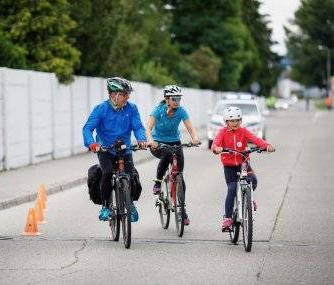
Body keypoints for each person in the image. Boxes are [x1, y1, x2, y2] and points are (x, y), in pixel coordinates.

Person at [83, 77, 147, 222]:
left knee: (130, 176)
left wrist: (141, 139)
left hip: (125, 148)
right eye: (124, 94)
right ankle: (105, 206)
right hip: (105, 149)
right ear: (113, 94)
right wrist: (91, 143)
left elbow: (137, 126)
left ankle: (130, 204)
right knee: (106, 173)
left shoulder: (131, 108)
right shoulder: (101, 109)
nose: (128, 97)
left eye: (128, 94)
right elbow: (87, 128)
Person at [211, 106, 275, 232]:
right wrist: (216, 148)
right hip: (229, 166)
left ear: (241, 120)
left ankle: (248, 198)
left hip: (243, 163)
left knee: (253, 181)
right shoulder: (222, 132)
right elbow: (216, 143)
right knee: (232, 188)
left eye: (238, 120)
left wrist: (266, 146)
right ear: (226, 122)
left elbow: (256, 140)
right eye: (232, 120)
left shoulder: (244, 131)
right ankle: (228, 219)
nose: (235, 123)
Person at [146, 85, 200, 225]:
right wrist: (151, 141)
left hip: (175, 142)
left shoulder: (181, 111)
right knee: (167, 154)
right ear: (166, 99)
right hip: (158, 144)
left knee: (179, 176)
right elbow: (148, 128)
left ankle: (182, 210)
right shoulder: (158, 111)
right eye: (174, 98)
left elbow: (190, 128)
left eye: (179, 98)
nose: (177, 101)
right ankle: (158, 181)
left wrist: (194, 138)